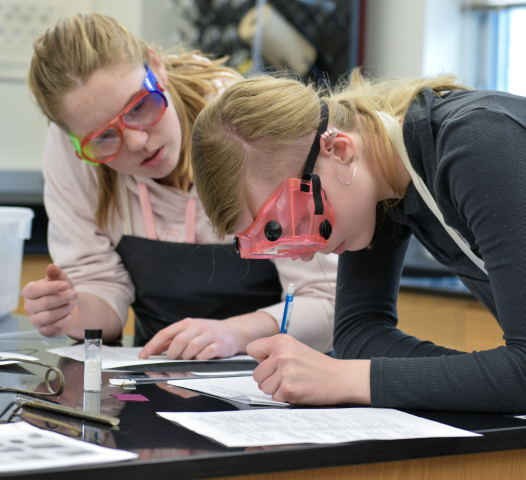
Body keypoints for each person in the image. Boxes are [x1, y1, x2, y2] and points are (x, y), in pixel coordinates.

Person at [190, 70, 526, 412]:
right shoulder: (377, 192)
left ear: (339, 150)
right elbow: (357, 338)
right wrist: (489, 378)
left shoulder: (479, 142)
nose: (305, 256)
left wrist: (343, 378)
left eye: (301, 218)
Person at [22, 13, 337, 360]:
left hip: (277, 376)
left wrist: (234, 334)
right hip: (162, 376)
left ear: (156, 67)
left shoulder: (247, 129)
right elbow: (102, 290)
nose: (138, 140)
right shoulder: (72, 153)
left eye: (140, 105)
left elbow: (328, 303)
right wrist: (72, 313)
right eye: (104, 137)